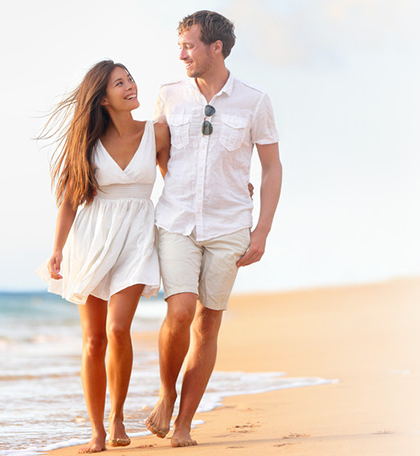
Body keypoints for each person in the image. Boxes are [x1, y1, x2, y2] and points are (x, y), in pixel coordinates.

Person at [142, 10, 283, 448]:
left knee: (207, 325)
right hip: (177, 220)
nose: (181, 53)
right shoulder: (169, 95)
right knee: (180, 311)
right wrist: (178, 183)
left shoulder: (254, 101)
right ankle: (167, 394)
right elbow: (159, 152)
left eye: (189, 45)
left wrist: (261, 231)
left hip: (230, 226)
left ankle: (184, 423)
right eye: (180, 45)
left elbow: (272, 167)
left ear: (215, 47)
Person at [36, 60, 167, 453]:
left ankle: (117, 416)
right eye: (119, 83)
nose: (130, 87)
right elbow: (69, 202)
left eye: (130, 79)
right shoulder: (87, 144)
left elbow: (181, 178)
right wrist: (57, 249)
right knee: (93, 340)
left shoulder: (157, 133)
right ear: (103, 99)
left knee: (116, 330)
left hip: (138, 237)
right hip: (92, 239)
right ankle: (96, 430)